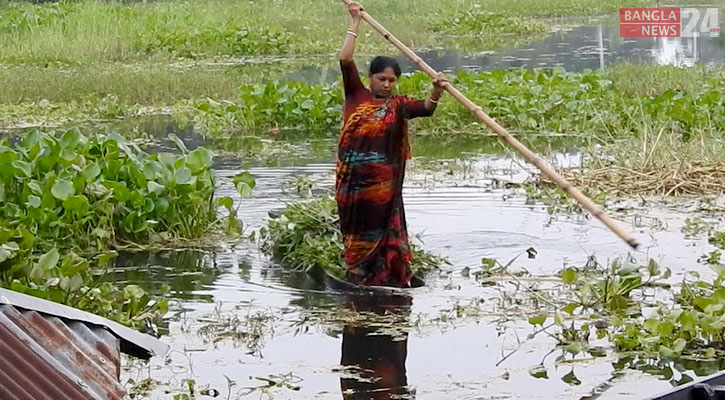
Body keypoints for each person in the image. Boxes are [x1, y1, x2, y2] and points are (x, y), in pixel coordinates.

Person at [336, 1, 448, 288]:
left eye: (392, 80)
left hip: (385, 189)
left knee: (384, 230)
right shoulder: (356, 97)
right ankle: (359, 273)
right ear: (370, 78)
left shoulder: (398, 106)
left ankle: (387, 275)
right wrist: (355, 22)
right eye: (381, 78)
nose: (386, 84)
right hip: (353, 185)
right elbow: (345, 60)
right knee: (357, 231)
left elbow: (426, 108)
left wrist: (435, 90)